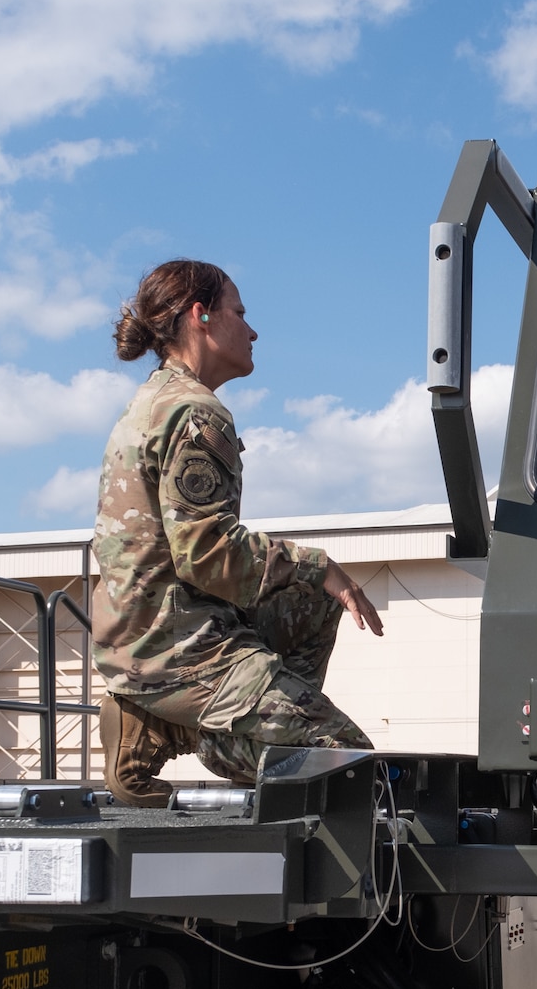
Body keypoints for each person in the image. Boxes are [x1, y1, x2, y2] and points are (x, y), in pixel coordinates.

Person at [92, 259, 383, 807]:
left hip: (151, 633)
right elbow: (205, 552)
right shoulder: (196, 413)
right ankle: (195, 725)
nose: (252, 330)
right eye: (240, 313)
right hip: (177, 647)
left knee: (311, 599)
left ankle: (189, 722)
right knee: (342, 759)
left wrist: (311, 578)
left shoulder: (153, 401)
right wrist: (316, 564)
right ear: (202, 317)